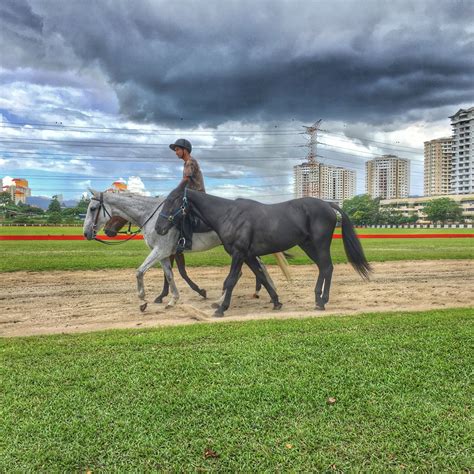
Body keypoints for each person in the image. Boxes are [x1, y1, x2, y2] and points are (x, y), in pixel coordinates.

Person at [168, 138, 209, 251]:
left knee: (182, 213)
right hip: (193, 196)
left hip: (197, 196)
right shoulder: (187, 162)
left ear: (185, 150)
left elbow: (186, 179)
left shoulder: (190, 162)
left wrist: (175, 192)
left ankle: (186, 242)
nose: (176, 152)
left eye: (177, 149)